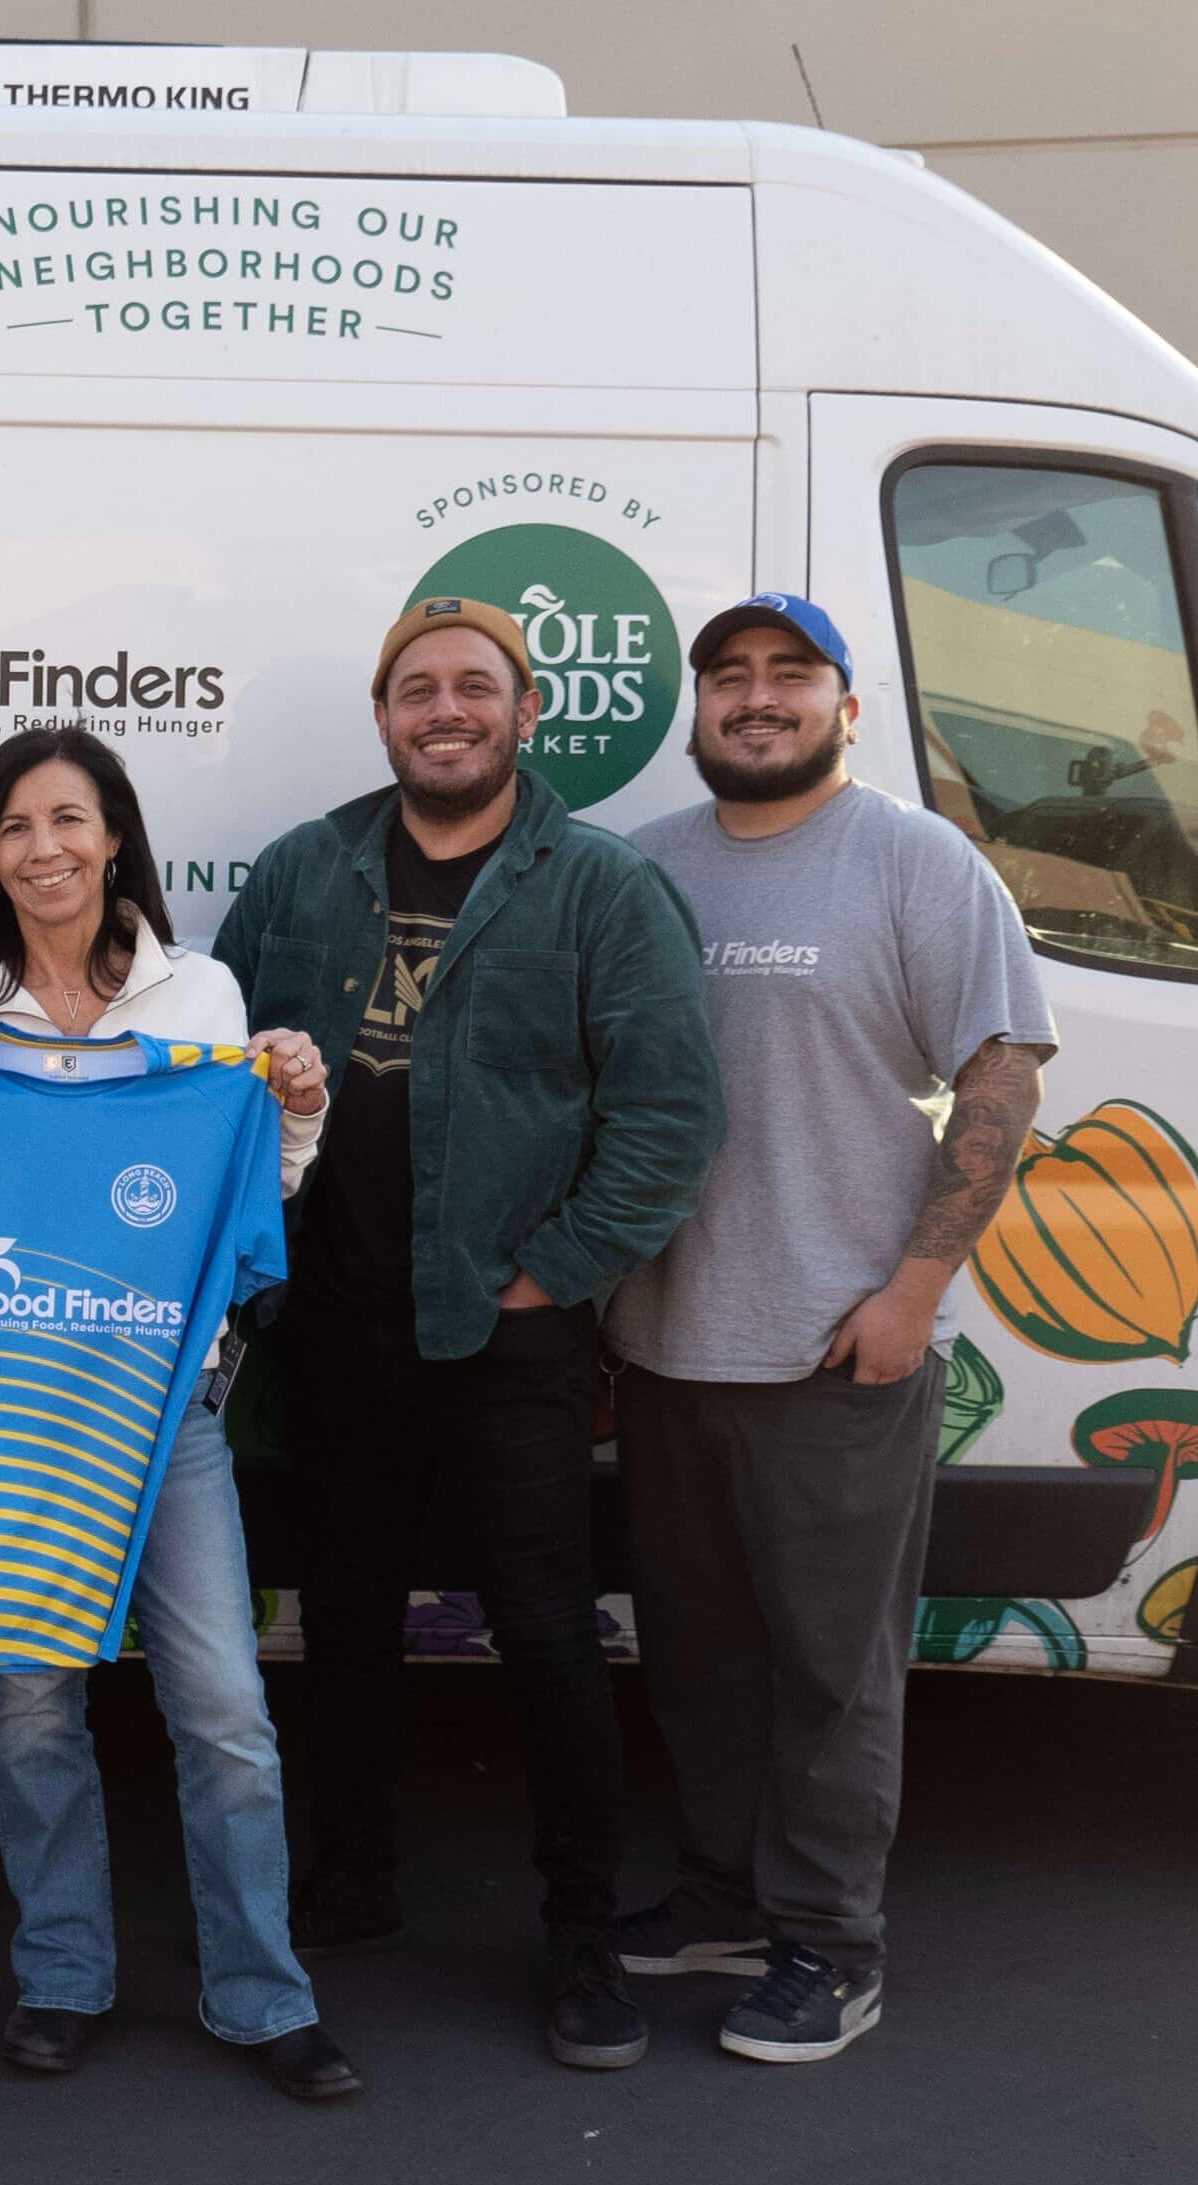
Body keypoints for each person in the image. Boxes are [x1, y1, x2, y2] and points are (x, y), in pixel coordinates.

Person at [214, 597, 722, 2073]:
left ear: (524, 712)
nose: (447, 709)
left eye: (476, 687)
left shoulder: (602, 889)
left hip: (511, 1338)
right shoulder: (305, 870)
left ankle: (580, 1940)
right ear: (384, 716)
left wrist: (549, 1274)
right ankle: (353, 1882)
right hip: (338, 1326)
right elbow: (221, 1065)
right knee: (349, 1615)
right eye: (417, 688)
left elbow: (671, 1114)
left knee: (552, 1634)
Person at [0, 727, 356, 2101]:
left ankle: (261, 1990)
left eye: (69, 819)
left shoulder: (206, 996)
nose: (44, 849)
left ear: (117, 835)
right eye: (14, 827)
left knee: (227, 1711)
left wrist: (290, 1106)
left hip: (159, 1411)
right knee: (33, 1712)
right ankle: (61, 1970)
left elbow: (255, 1197)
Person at [605, 596, 1054, 2063]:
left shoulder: (917, 863)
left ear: (845, 704)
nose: (755, 699)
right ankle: (724, 1900)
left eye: (788, 675)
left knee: (832, 1671)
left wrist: (912, 1297)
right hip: (667, 1348)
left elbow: (1000, 1085)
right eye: (726, 677)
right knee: (701, 1659)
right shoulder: (645, 869)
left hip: (832, 1353)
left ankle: (831, 1947)